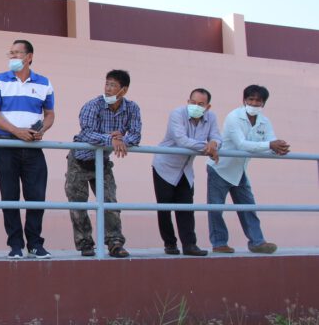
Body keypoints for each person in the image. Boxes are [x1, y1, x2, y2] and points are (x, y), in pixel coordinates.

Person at [0, 40, 55, 259]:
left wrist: (41, 129)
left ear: (29, 57)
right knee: (9, 195)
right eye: (11, 53)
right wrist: (17, 132)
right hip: (6, 144)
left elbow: (50, 114)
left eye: (17, 53)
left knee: (37, 196)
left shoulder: (44, 82)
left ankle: (35, 244)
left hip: (33, 145)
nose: (12, 57)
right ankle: (15, 245)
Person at [64, 69, 141, 258]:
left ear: (124, 90)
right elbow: (87, 133)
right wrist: (110, 139)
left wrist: (121, 139)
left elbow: (136, 135)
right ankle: (85, 244)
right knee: (78, 204)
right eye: (106, 84)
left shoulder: (132, 108)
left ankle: (115, 243)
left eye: (113, 85)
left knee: (110, 201)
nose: (107, 89)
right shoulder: (93, 105)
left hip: (102, 161)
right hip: (79, 160)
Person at [207, 85, 289, 254]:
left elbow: (270, 142)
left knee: (248, 207)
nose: (254, 103)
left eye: (258, 100)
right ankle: (219, 243)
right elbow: (242, 144)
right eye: (251, 99)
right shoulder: (233, 117)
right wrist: (270, 145)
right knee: (216, 208)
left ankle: (257, 242)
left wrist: (278, 149)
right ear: (244, 100)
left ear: (263, 103)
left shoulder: (264, 121)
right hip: (220, 168)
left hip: (239, 170)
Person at [151, 88, 221, 256]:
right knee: (164, 208)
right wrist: (207, 147)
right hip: (165, 166)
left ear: (208, 107)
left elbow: (217, 137)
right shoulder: (177, 114)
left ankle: (190, 245)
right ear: (188, 101)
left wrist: (214, 144)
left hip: (186, 169)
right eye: (193, 102)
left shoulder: (211, 117)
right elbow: (181, 140)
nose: (196, 106)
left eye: (201, 104)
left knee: (186, 207)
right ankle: (170, 244)